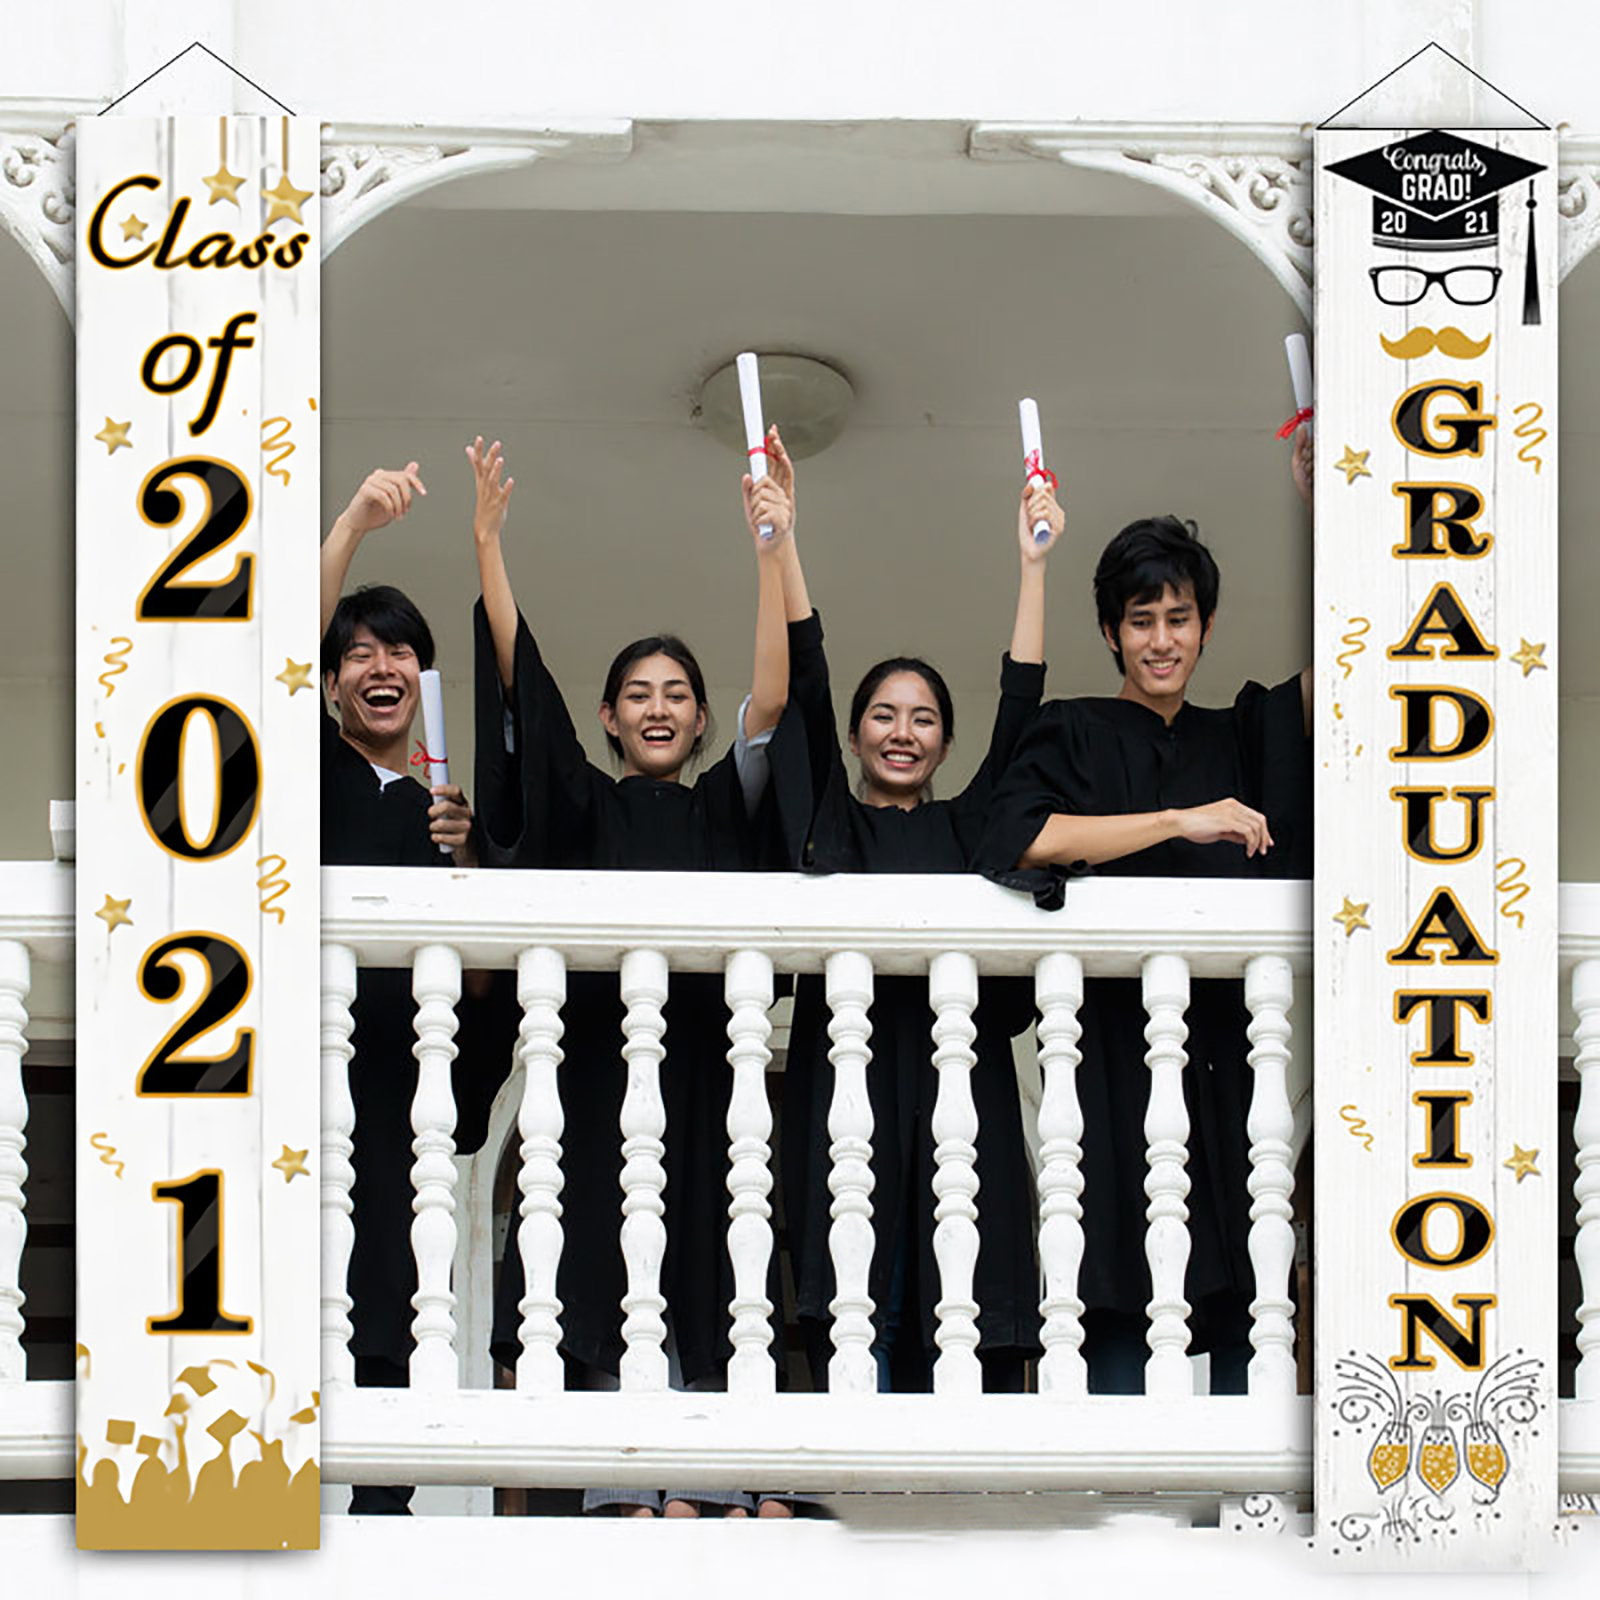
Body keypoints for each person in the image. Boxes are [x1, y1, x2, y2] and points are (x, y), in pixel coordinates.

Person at [468, 436, 804, 1516]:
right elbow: (528, 695)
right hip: (598, 1089)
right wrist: (489, 548)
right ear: (611, 716)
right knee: (593, 1271)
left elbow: (773, 701)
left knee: (714, 1264)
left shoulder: (722, 809)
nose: (658, 708)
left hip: (708, 1085)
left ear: (700, 719)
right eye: (637, 694)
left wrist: (773, 551)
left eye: (678, 695)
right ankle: (614, 1493)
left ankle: (706, 1485)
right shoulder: (587, 811)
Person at [977, 428, 1313, 1394]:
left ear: (1205, 627)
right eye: (1140, 620)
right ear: (1111, 633)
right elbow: (1018, 838)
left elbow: (1355, 651)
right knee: (1114, 1289)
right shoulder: (1074, 729)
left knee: (1251, 1287)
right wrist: (1178, 819)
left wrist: (1326, 507)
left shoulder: (1242, 732)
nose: (1161, 640)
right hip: (1110, 1060)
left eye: (1179, 618)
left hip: (1229, 1061)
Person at [765, 430, 1064, 1392]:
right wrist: (783, 544)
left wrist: (1033, 567)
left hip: (956, 1091)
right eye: (884, 716)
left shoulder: (969, 830)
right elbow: (806, 680)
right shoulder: (832, 824)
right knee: (861, 1303)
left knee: (961, 1304)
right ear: (857, 736)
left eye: (924, 717)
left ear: (944, 742)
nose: (903, 733)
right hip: (848, 1088)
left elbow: (1022, 712)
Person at [320, 463, 511, 1513]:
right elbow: (268, 661)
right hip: (310, 1081)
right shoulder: (315, 772)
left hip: (407, 1096)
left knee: (395, 1311)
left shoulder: (450, 812)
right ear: (331, 686)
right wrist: (353, 523)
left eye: (399, 652)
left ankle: (381, 1518)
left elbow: (485, 988)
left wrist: (467, 859)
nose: (381, 666)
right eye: (358, 653)